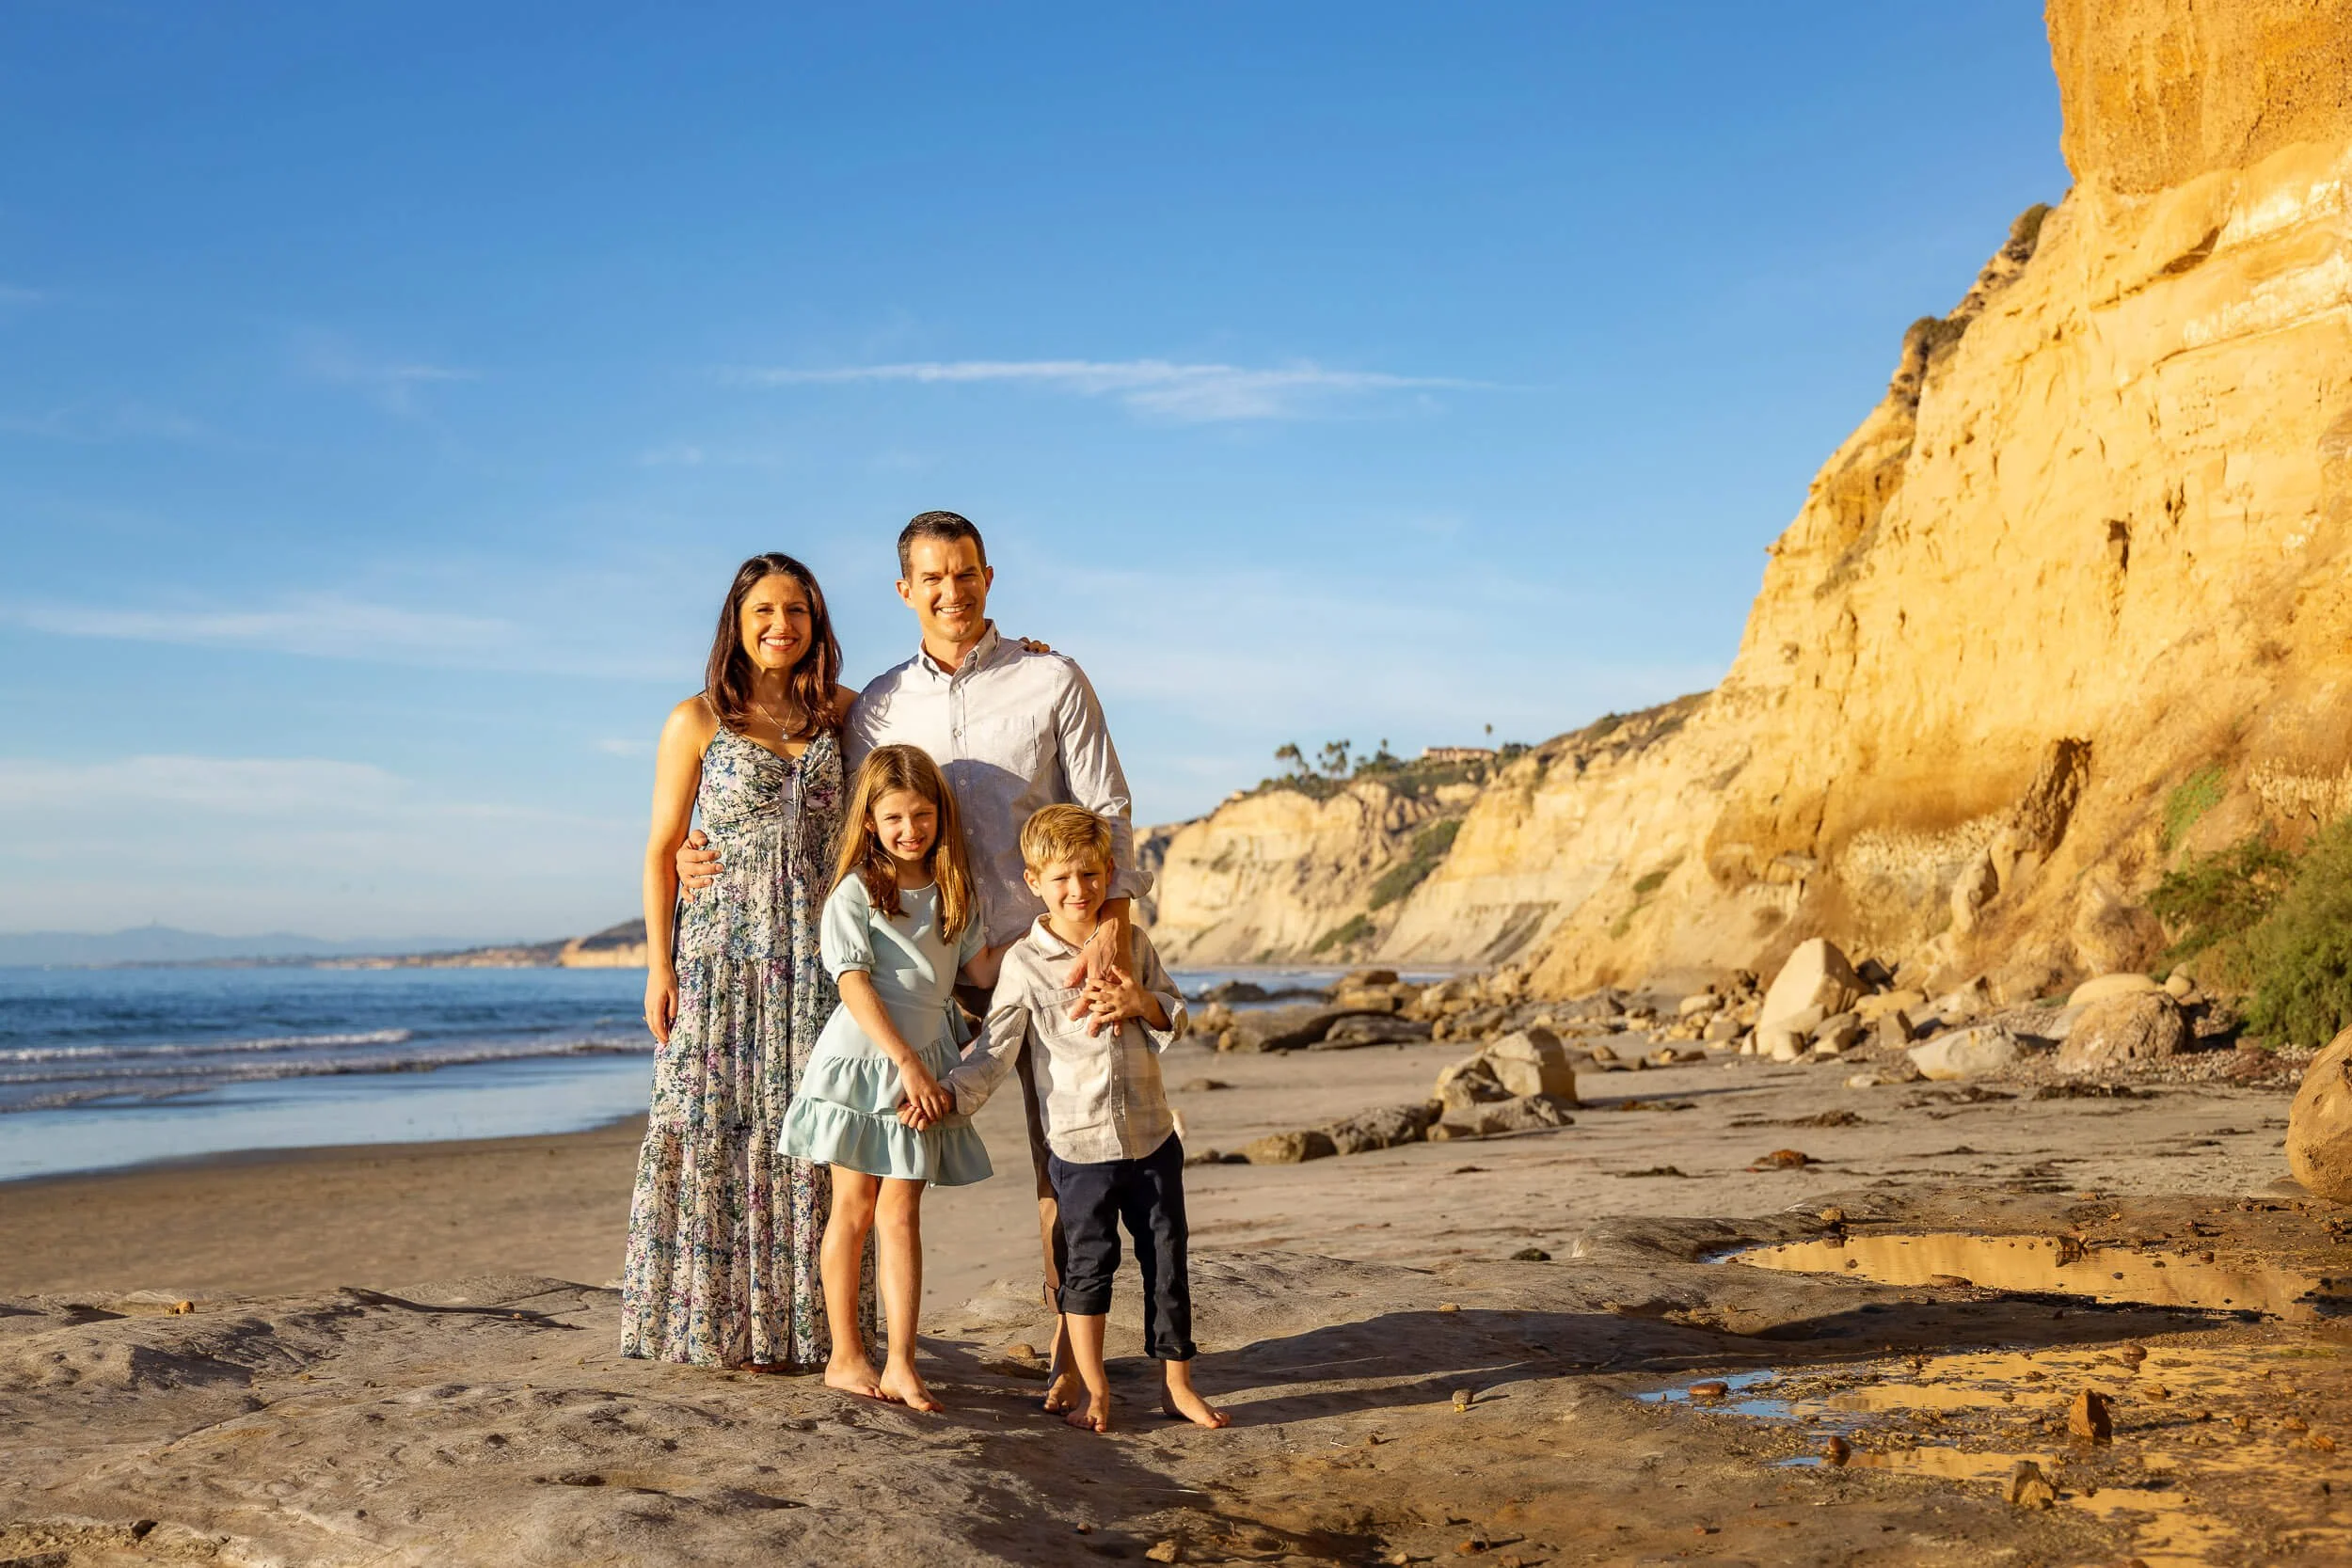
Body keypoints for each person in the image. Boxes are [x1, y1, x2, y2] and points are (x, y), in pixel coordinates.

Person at [681, 510, 1152, 1410]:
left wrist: (1107, 935)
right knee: (894, 1180)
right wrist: (690, 851)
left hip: (1039, 955)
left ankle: (1070, 1349)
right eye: (932, 578)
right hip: (922, 970)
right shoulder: (879, 704)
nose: (952, 591)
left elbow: (1111, 809)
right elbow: (825, 808)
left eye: (966, 572)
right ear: (906, 590)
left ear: (989, 575)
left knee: (1070, 1163)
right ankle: (866, 1346)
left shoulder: (1051, 677)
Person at [620, 552, 871, 1370]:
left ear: (817, 622)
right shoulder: (695, 719)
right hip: (723, 955)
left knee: (817, 1129)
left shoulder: (847, 713)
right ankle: (721, 1331)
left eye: (797, 610)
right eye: (763, 610)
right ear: (736, 619)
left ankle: (817, 1331)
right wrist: (660, 968)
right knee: (717, 1126)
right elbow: (662, 851)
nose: (780, 626)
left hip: (820, 955)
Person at [921, 804, 1227, 1433]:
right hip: (1080, 1147)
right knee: (1088, 1266)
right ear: (1034, 881)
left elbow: (1176, 1015)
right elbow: (996, 1048)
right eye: (1061, 878)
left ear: (1107, 873)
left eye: (1090, 875)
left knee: (1167, 1258)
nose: (1078, 890)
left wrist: (1141, 1001)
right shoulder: (1026, 965)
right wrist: (950, 1093)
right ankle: (1096, 1386)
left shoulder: (1132, 944)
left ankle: (1178, 1383)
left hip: (1151, 1135)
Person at [778, 744, 1000, 1411]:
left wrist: (1054, 933)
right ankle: (846, 1354)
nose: (911, 830)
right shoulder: (855, 891)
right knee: (853, 1208)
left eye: (923, 815)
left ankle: (902, 1361)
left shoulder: (956, 888)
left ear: (940, 815)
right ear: (870, 821)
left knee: (902, 1211)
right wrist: (905, 1060)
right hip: (866, 1058)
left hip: (927, 1061)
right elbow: (852, 984)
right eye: (895, 817)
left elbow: (983, 972)